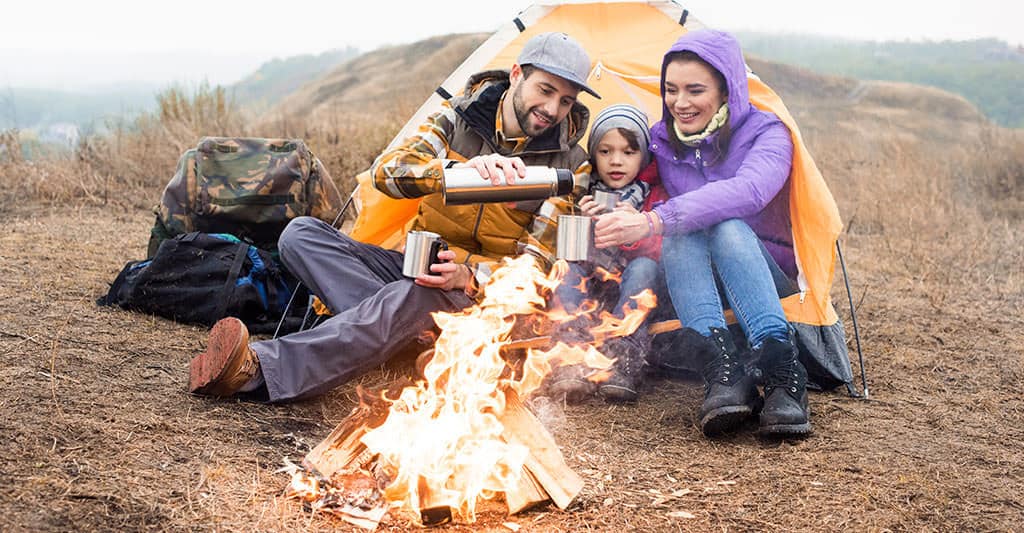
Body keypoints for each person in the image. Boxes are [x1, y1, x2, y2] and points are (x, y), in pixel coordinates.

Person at [186, 32, 600, 402]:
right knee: (299, 235)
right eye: (545, 90)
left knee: (418, 293)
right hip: (412, 267)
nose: (552, 109)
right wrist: (455, 172)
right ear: (515, 75)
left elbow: (537, 265)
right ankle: (411, 345)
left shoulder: (569, 165)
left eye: (566, 101)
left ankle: (258, 369)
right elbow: (388, 172)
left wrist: (471, 277)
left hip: (475, 299)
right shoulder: (456, 120)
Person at [591, 29, 811, 437]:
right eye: (671, 90)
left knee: (723, 227)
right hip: (696, 285)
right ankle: (722, 370)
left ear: (727, 90)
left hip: (765, 279)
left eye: (695, 90)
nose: (680, 103)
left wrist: (656, 218)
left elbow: (748, 191)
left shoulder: (768, 133)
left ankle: (783, 372)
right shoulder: (663, 140)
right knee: (679, 233)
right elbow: (617, 163)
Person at [546, 104, 666, 403]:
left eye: (628, 152)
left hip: (631, 293)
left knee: (644, 268)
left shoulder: (654, 197)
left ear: (644, 157)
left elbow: (660, 253)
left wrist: (635, 226)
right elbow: (562, 249)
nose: (616, 161)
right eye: (605, 151)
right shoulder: (581, 190)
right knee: (568, 268)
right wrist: (583, 222)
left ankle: (622, 361)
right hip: (591, 292)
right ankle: (571, 360)